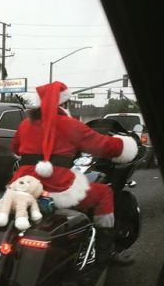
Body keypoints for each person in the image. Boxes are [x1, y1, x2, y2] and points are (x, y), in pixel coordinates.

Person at [9, 80, 139, 269]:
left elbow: (16, 148)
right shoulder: (70, 125)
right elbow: (104, 145)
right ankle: (106, 252)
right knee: (104, 194)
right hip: (57, 186)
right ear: (64, 104)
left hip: (22, 184)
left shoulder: (26, 124)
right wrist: (124, 144)